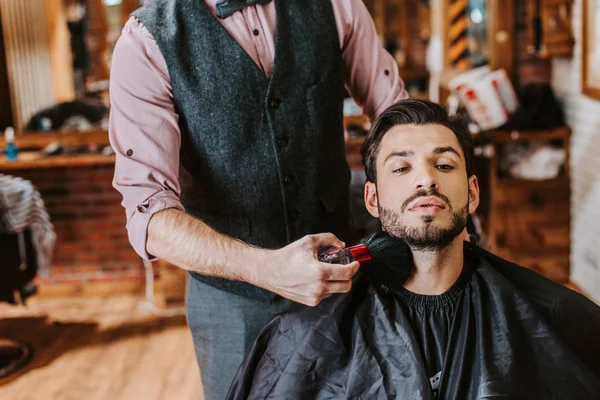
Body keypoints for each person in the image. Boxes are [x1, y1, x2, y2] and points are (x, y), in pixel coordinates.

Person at [108, 0, 408, 397]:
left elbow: (400, 122)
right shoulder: (146, 41)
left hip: (342, 283)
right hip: (231, 304)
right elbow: (149, 214)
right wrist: (267, 268)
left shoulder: (338, 6)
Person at [227, 99, 600, 399]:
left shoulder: (544, 314)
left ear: (472, 194)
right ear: (372, 198)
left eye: (443, 164)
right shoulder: (311, 332)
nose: (426, 179)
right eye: (402, 169)